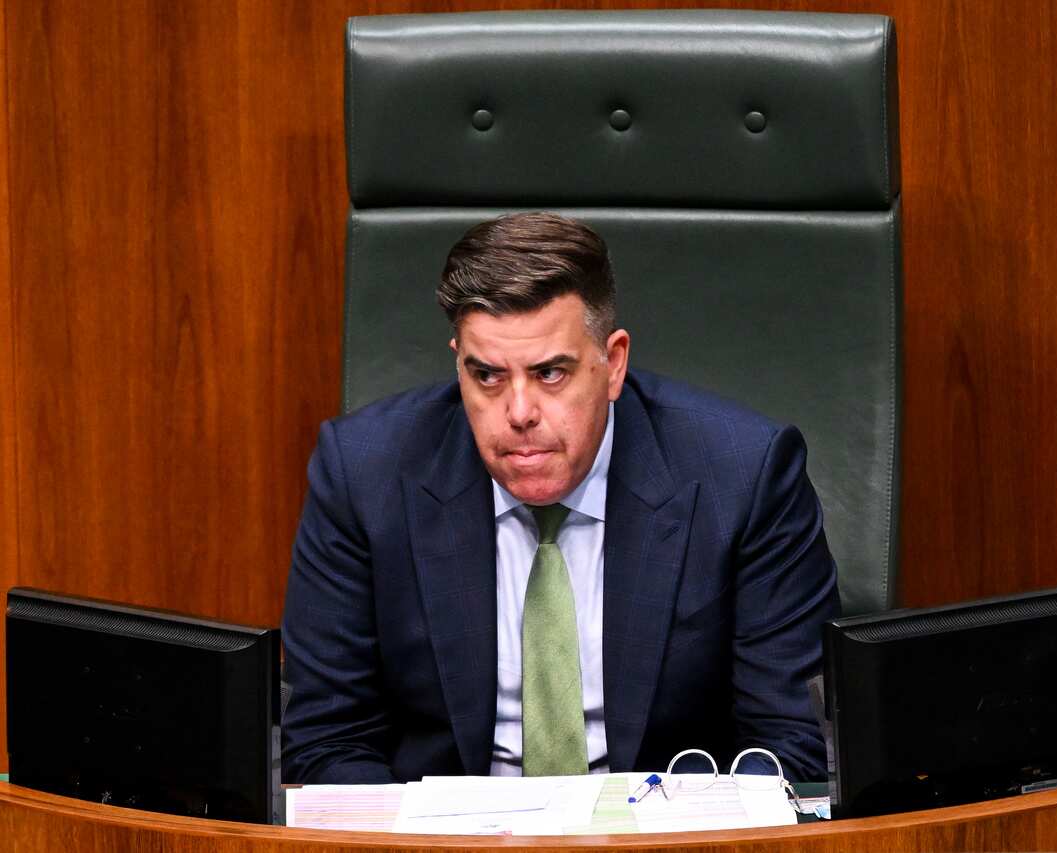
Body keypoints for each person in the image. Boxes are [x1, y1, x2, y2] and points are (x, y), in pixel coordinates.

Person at [281, 212, 838, 785]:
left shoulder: (744, 476)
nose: (519, 412)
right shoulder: (364, 472)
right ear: (459, 363)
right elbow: (327, 740)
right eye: (488, 376)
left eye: (550, 373)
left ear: (613, 363)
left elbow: (791, 747)